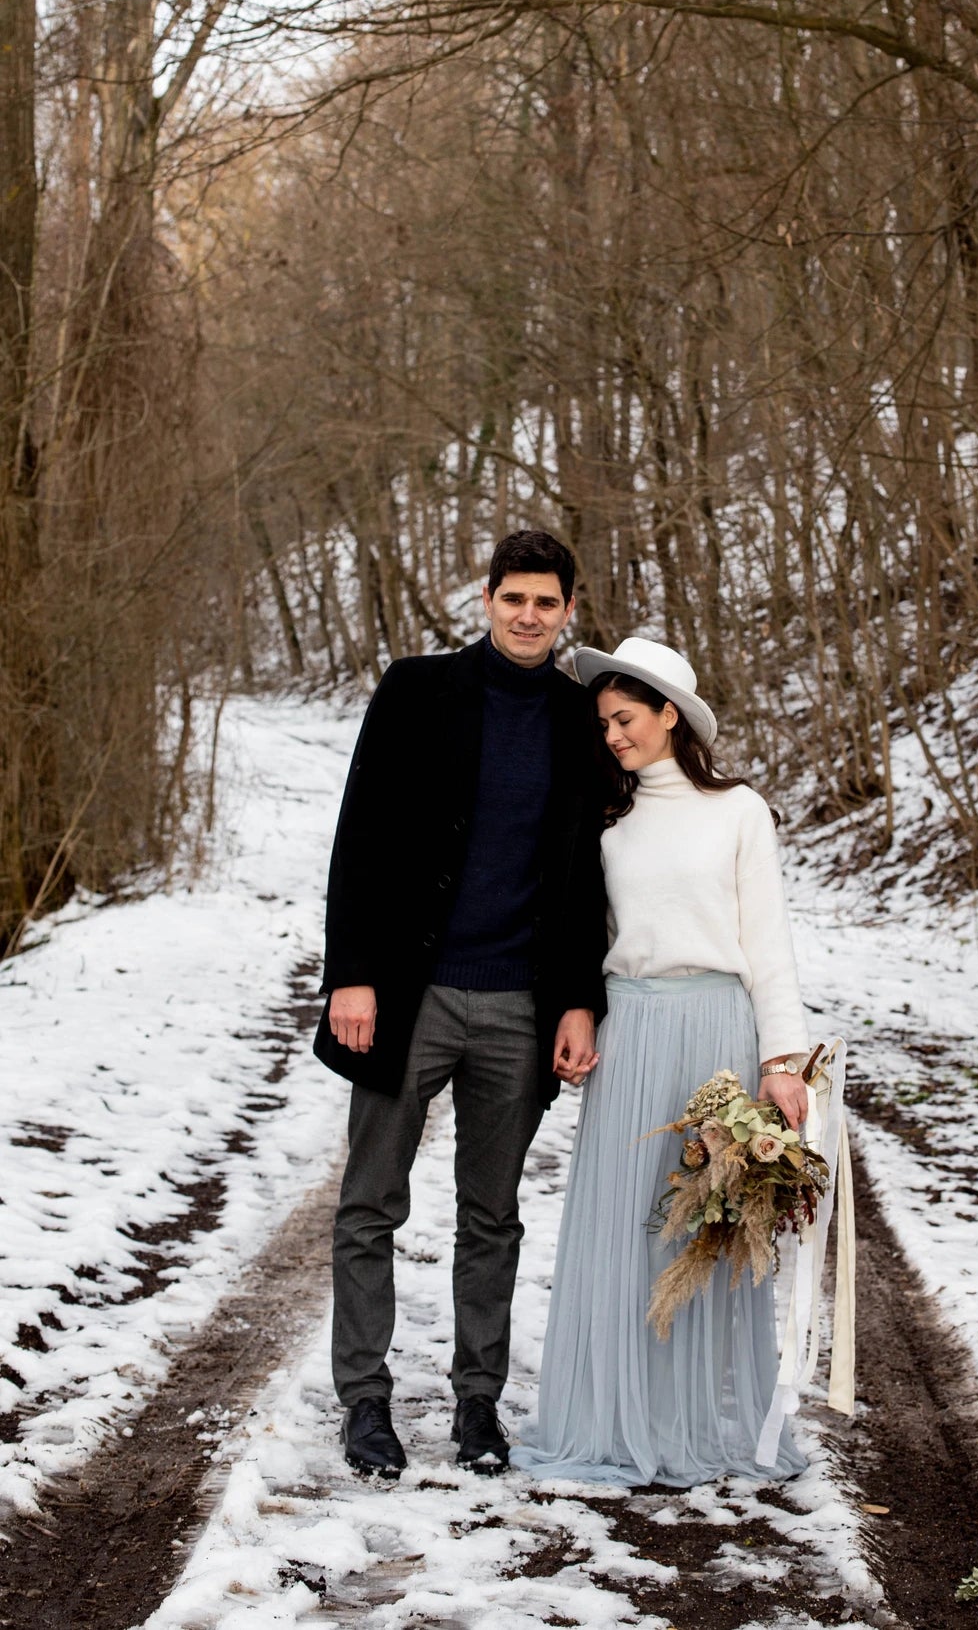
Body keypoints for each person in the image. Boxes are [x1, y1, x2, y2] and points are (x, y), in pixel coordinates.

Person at [314, 529, 607, 1479]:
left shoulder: (578, 719)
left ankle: (477, 1404)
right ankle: (364, 1401)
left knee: (494, 1214)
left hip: (521, 1003)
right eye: (514, 598)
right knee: (370, 1203)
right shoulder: (416, 690)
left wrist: (577, 1002)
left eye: (547, 603)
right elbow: (362, 835)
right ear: (486, 600)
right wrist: (350, 974)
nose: (529, 616)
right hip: (412, 993)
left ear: (570, 612)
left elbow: (584, 884)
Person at [512, 635, 812, 1487]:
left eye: (625, 719)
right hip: (633, 1035)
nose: (611, 735)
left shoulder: (739, 811)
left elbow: (769, 945)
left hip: (718, 1035)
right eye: (603, 722)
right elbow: (585, 938)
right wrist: (578, 1012)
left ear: (669, 714)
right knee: (627, 1228)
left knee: (708, 1234)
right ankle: (615, 1418)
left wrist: (782, 1061)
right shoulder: (608, 820)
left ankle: (696, 1425)